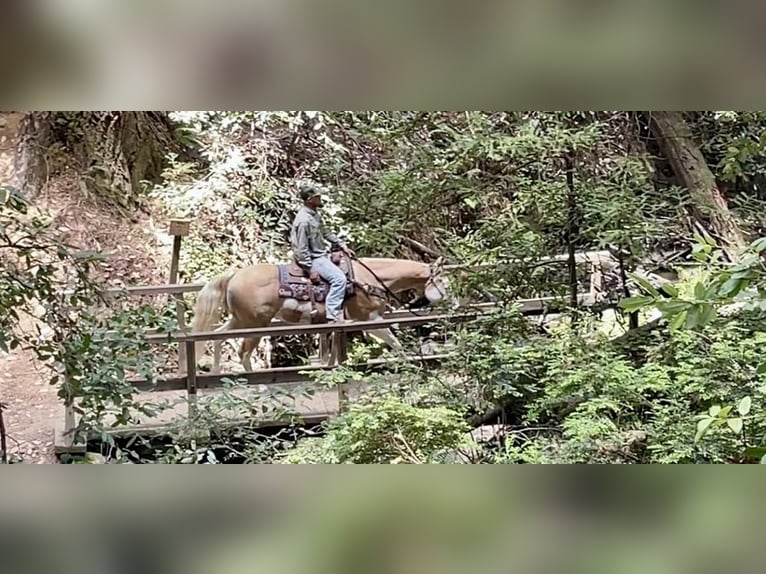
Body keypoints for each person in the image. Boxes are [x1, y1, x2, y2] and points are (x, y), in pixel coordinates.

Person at [290, 182, 356, 323]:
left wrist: (341, 244)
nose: (320, 199)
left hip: (322, 254)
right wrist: (309, 268)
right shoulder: (303, 221)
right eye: (317, 197)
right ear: (309, 200)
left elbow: (325, 231)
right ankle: (333, 315)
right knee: (339, 279)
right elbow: (301, 248)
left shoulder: (314, 215)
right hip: (315, 259)